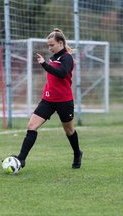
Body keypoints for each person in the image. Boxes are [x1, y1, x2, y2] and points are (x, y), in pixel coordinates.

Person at [13, 28, 83, 169]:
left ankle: (77, 153)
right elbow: (52, 79)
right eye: (48, 45)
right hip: (48, 100)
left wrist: (44, 64)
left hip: (64, 101)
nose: (49, 48)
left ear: (61, 43)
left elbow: (62, 74)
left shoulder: (67, 58)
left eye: (52, 45)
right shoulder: (52, 58)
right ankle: (21, 159)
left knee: (69, 131)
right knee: (32, 126)